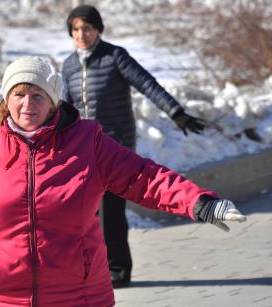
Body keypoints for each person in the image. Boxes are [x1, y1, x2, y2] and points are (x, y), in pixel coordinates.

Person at [0, 56, 246, 307]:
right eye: (19, 94)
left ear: (54, 100)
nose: (28, 104)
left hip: (79, 294)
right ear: (6, 99)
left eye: (38, 95)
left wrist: (200, 203)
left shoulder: (87, 141)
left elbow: (144, 177)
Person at [61, 4, 207, 288]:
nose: (81, 34)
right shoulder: (68, 66)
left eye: (87, 28)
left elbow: (147, 84)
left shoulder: (115, 56)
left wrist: (176, 113)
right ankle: (90, 271)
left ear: (98, 29)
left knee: (111, 214)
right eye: (76, 29)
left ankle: (118, 271)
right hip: (82, 151)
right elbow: (67, 109)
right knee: (84, 216)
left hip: (115, 149)